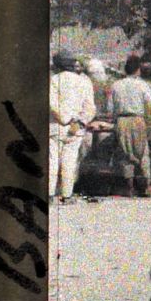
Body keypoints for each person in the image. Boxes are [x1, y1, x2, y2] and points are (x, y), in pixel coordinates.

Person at [110, 57, 151, 197]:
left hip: (121, 120)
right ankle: (147, 186)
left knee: (125, 153)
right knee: (142, 152)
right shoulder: (141, 85)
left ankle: (130, 187)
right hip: (137, 120)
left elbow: (109, 107)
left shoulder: (116, 85)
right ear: (138, 70)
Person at [49, 53, 97, 203]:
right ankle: (66, 195)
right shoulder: (84, 82)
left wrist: (65, 119)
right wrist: (80, 122)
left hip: (56, 126)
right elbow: (90, 108)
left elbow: (52, 104)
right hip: (76, 128)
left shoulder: (54, 80)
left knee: (52, 160)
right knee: (70, 161)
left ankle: (49, 194)